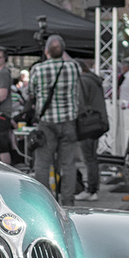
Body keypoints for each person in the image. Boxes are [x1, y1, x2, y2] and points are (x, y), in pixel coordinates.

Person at [25, 35, 81, 207]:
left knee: (42, 164)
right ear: (63, 51)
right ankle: (68, 202)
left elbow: (31, 92)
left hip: (47, 122)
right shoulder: (73, 67)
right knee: (69, 165)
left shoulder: (38, 69)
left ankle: (46, 203)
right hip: (69, 121)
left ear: (46, 50)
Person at [75, 59, 107, 199]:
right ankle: (93, 189)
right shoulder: (93, 79)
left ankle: (91, 190)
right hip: (98, 121)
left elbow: (81, 102)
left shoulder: (83, 80)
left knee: (89, 158)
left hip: (87, 123)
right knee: (92, 157)